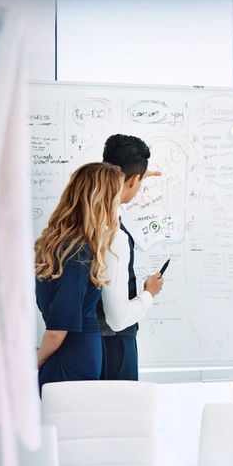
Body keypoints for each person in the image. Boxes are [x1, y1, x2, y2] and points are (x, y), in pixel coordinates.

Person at [35, 162, 124, 395]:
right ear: (101, 202)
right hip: (72, 363)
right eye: (115, 199)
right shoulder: (78, 253)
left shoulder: (65, 247)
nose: (117, 207)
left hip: (71, 359)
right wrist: (36, 361)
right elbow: (57, 330)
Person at [98, 134, 164, 381]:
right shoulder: (114, 234)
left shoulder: (93, 214)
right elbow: (117, 319)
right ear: (134, 179)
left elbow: (117, 201)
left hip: (94, 343)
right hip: (114, 346)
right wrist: (149, 294)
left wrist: (136, 179)